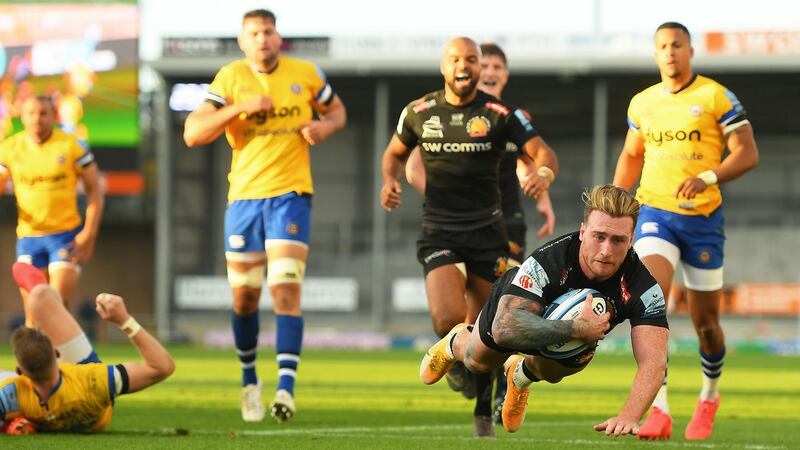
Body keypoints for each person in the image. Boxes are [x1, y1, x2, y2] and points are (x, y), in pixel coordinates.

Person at [380, 36, 558, 437]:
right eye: (456, 59)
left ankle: (483, 408)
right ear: (444, 67)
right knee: (447, 319)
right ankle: (451, 352)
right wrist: (389, 181)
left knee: (489, 330)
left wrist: (543, 176)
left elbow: (542, 153)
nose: (465, 66)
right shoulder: (419, 112)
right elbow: (394, 154)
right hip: (440, 229)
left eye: (472, 60)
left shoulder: (500, 114)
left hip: (490, 234)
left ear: (482, 69)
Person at [183, 9, 346, 423]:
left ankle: (286, 390)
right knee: (245, 297)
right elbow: (193, 133)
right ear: (242, 40)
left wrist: (323, 128)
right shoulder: (230, 78)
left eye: (268, 31)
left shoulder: (306, 73)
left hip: (291, 196)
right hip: (244, 201)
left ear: (278, 37)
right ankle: (249, 382)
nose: (262, 39)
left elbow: (337, 112)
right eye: (253, 33)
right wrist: (239, 109)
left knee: (285, 290)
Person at [420, 184, 668, 437]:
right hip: (516, 317)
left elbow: (654, 362)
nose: (606, 250)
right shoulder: (548, 262)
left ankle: (520, 374)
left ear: (631, 240)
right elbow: (506, 329)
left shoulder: (644, 288)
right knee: (477, 362)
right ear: (583, 232)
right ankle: (455, 341)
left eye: (618, 240)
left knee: (558, 369)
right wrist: (577, 327)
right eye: (599, 236)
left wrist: (629, 415)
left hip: (563, 339)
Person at [612, 22, 759, 441]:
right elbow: (630, 154)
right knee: (651, 303)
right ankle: (659, 409)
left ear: (690, 51)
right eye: (662, 46)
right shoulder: (643, 103)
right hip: (656, 212)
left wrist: (709, 177)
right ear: (655, 54)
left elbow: (748, 152)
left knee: (706, 325)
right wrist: (614, 203)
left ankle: (709, 396)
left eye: (677, 45)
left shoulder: (715, 96)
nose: (670, 52)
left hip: (703, 222)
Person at [0, 262, 175, 433]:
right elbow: (162, 367)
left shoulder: (11, 395)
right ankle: (50, 307)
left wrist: (8, 426)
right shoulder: (95, 381)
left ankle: (37, 317)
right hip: (84, 392)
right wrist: (124, 320)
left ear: (20, 372)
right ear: (57, 353)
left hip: (33, 404)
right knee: (40, 295)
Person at [0, 96, 104, 312]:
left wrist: (89, 233)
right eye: (31, 113)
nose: (37, 119)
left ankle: (64, 346)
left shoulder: (72, 146)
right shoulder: (10, 148)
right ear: (23, 116)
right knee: (34, 312)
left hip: (64, 236)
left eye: (43, 113)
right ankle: (37, 346)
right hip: (29, 238)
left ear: (54, 116)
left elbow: (95, 190)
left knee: (57, 308)